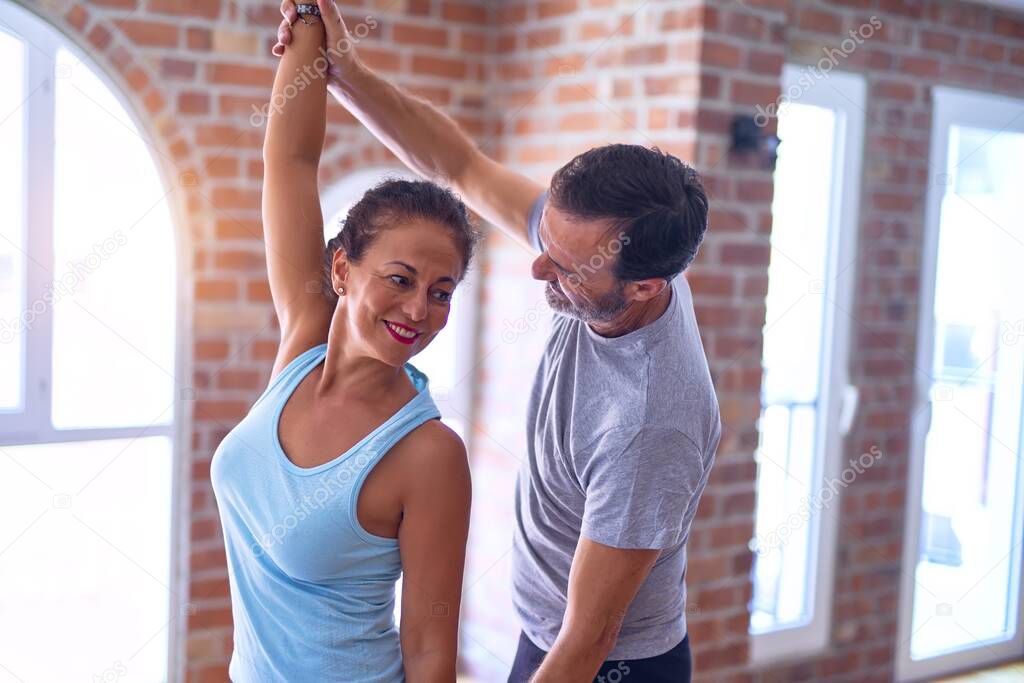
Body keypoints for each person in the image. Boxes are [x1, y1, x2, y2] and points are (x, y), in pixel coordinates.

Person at [275, 2, 721, 681]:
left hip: (610, 663)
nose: (538, 267)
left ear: (645, 288)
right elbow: (457, 163)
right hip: (544, 630)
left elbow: (588, 638)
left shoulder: (651, 424)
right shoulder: (615, 244)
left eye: (566, 268)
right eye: (547, 241)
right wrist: (346, 73)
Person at [211, 3, 476, 681]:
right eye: (401, 277)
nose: (420, 308)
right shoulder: (303, 343)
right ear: (341, 268)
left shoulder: (429, 454)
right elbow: (290, 162)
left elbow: (428, 650)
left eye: (441, 290)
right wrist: (306, 23)